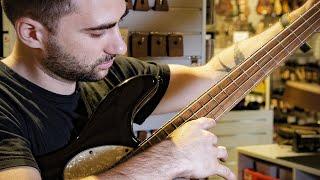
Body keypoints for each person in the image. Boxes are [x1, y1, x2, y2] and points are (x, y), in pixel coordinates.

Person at [0, 0, 317, 179]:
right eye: (99, 31)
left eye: (118, 22)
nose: (120, 45)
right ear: (32, 33)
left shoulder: (113, 74)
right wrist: (169, 158)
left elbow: (215, 75)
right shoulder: (5, 102)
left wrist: (304, 18)